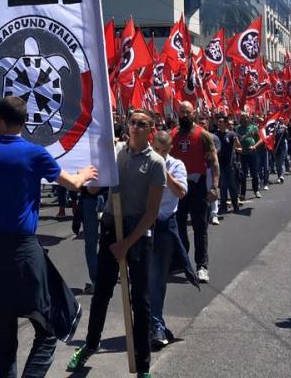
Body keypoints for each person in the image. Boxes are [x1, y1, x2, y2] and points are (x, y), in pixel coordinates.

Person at [0, 96, 97, 378]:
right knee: (49, 329)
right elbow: (73, 184)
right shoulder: (35, 154)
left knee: (5, 341)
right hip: (24, 252)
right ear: (25, 123)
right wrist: (85, 173)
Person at [67, 107, 163, 378]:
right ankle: (90, 344)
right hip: (111, 226)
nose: (135, 126)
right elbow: (94, 189)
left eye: (142, 123)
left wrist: (127, 244)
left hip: (137, 232)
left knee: (140, 300)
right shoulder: (115, 152)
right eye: (132, 122)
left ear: (150, 129)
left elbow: (152, 212)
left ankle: (143, 365)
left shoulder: (155, 162)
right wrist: (100, 161)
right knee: (102, 292)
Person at [149, 129, 193, 349]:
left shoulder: (176, 165)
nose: (157, 154)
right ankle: (151, 321)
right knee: (143, 278)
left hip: (165, 225)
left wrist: (164, 171)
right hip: (143, 225)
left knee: (158, 278)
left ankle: (156, 323)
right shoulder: (144, 161)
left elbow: (181, 192)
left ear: (168, 151)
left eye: (161, 151)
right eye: (154, 149)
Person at [171, 102, 219, 282]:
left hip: (198, 185)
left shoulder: (203, 135)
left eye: (188, 112)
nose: (184, 115)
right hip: (178, 187)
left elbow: (214, 163)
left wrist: (214, 186)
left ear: (194, 114)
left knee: (200, 227)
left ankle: (202, 266)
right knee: (178, 226)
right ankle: (180, 261)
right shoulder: (173, 134)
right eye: (182, 112)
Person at [216, 116, 240, 214]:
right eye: (218, 122)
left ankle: (235, 204)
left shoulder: (231, 134)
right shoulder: (215, 135)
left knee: (232, 185)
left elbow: (238, 146)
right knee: (223, 186)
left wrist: (236, 139)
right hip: (220, 164)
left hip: (230, 164)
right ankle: (223, 206)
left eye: (221, 122)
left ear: (225, 124)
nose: (219, 123)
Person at [236, 112, 262, 197]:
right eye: (241, 118)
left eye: (244, 117)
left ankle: (256, 190)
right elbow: (235, 141)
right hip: (242, 154)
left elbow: (260, 139)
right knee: (243, 175)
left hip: (252, 154)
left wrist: (254, 146)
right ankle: (242, 194)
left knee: (254, 174)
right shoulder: (238, 129)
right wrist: (237, 147)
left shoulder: (253, 128)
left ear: (248, 118)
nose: (242, 119)